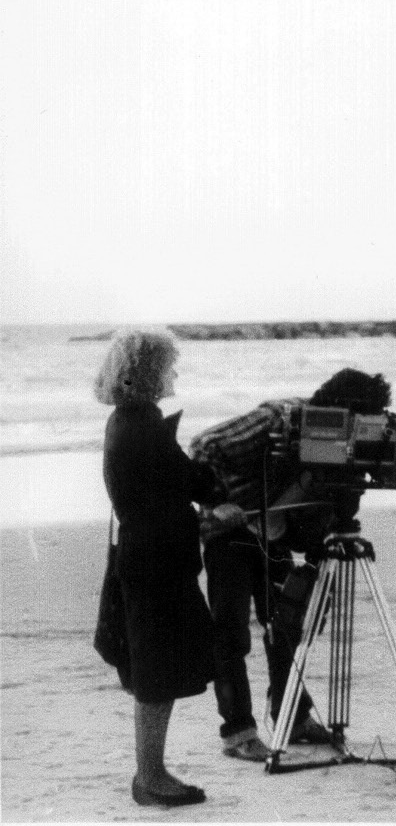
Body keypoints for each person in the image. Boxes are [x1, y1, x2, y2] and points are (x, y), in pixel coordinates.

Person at [189, 368, 392, 760]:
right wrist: (218, 501)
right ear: (338, 407)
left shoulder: (344, 439)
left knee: (287, 626)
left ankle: (292, 717)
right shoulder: (279, 419)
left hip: (275, 532)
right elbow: (204, 444)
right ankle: (239, 733)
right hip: (229, 531)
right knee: (230, 634)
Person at [96, 330, 223, 806]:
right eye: (167, 366)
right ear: (148, 372)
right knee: (156, 671)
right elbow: (188, 479)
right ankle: (150, 776)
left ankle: (150, 773)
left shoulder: (124, 419)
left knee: (155, 668)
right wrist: (214, 494)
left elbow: (166, 482)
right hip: (156, 561)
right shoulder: (142, 422)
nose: (173, 373)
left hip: (142, 552)